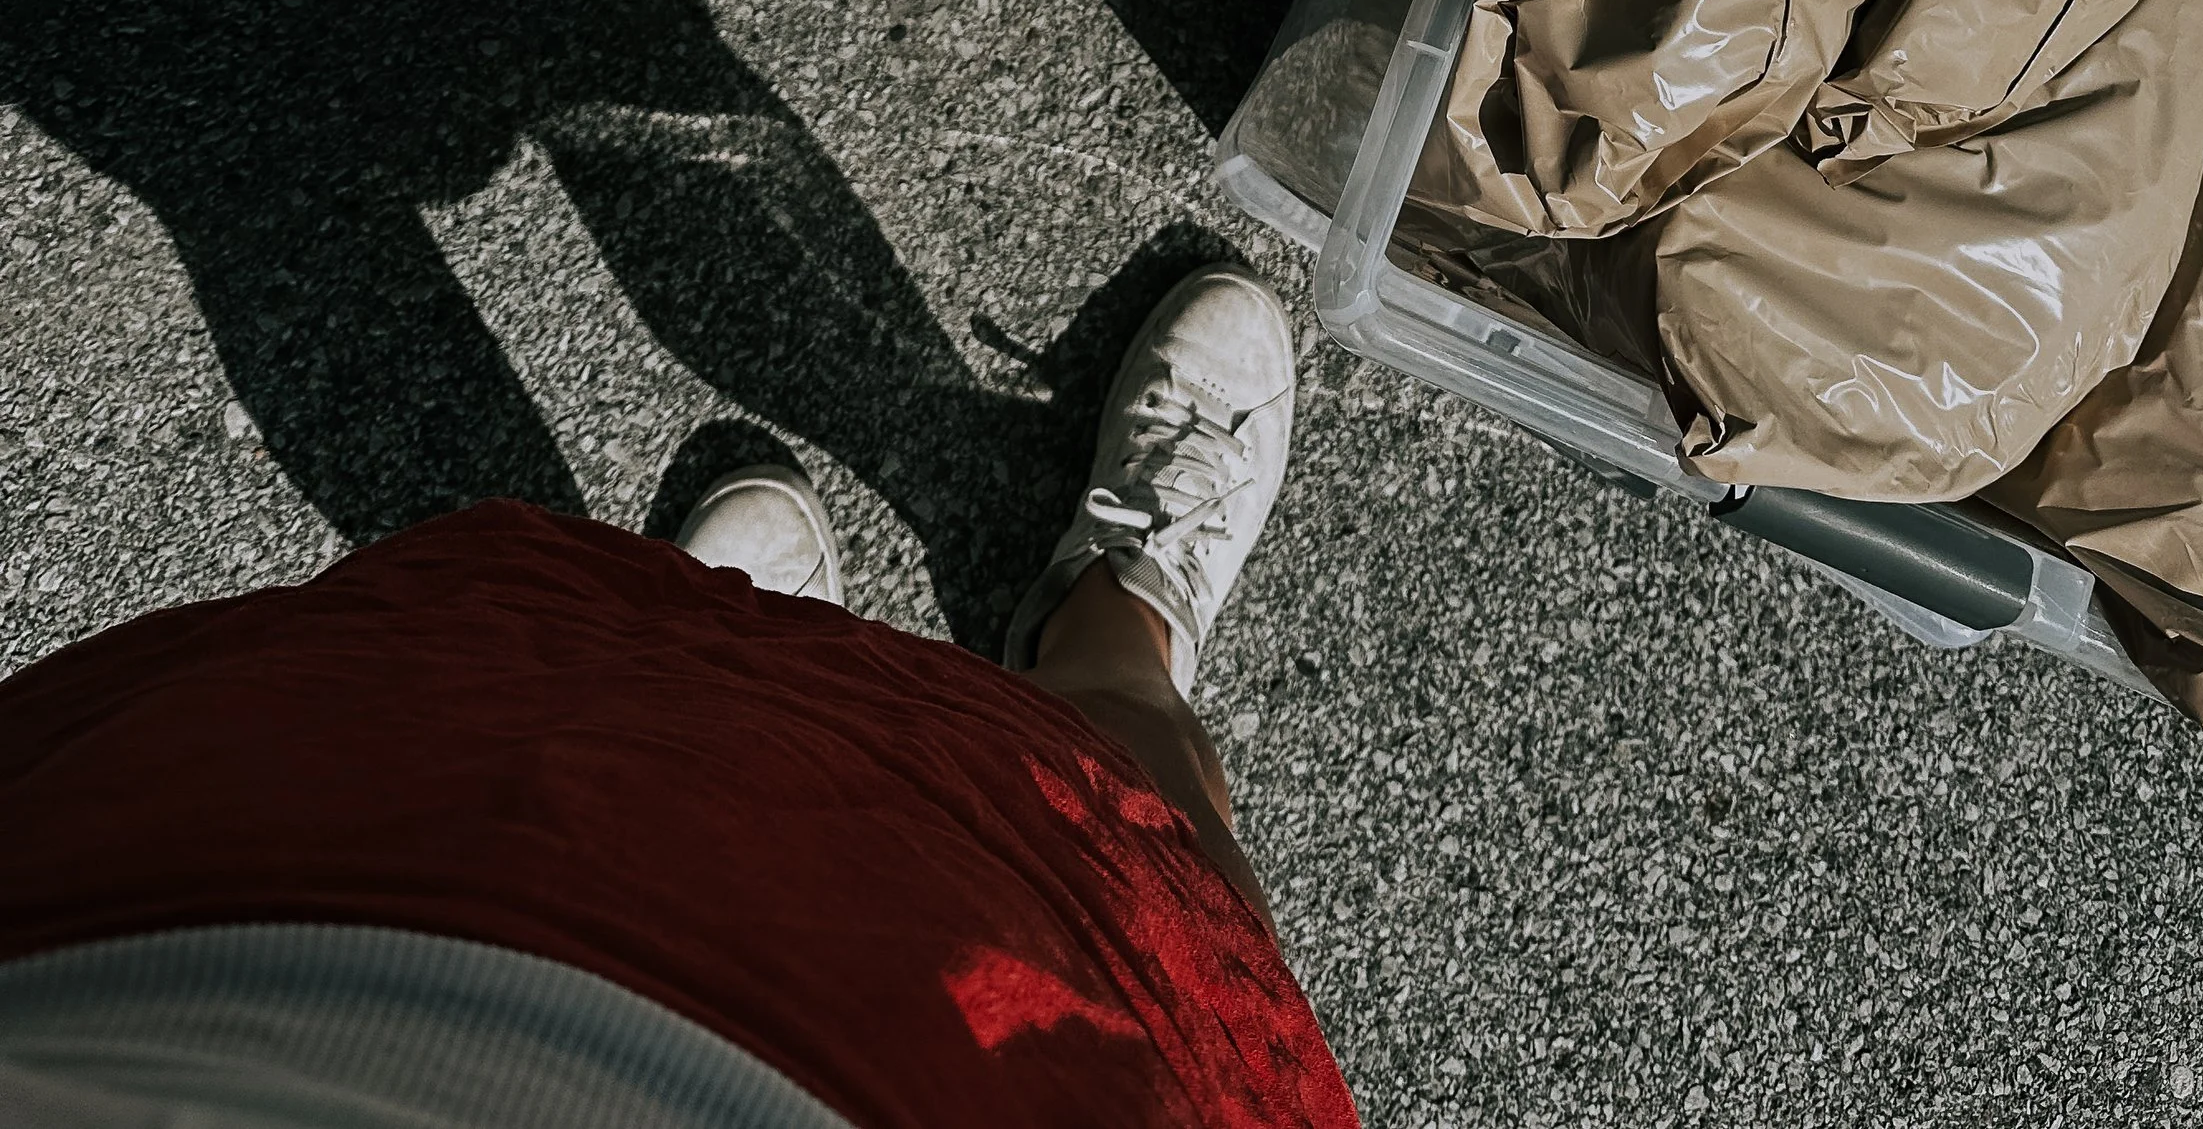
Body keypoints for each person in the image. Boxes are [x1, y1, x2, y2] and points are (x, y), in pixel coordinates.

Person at [0, 266, 1355, 1129]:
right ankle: (1114, 627)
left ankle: (739, 664)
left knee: (576, 729)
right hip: (901, 1086)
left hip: (172, 980)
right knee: (1132, 843)